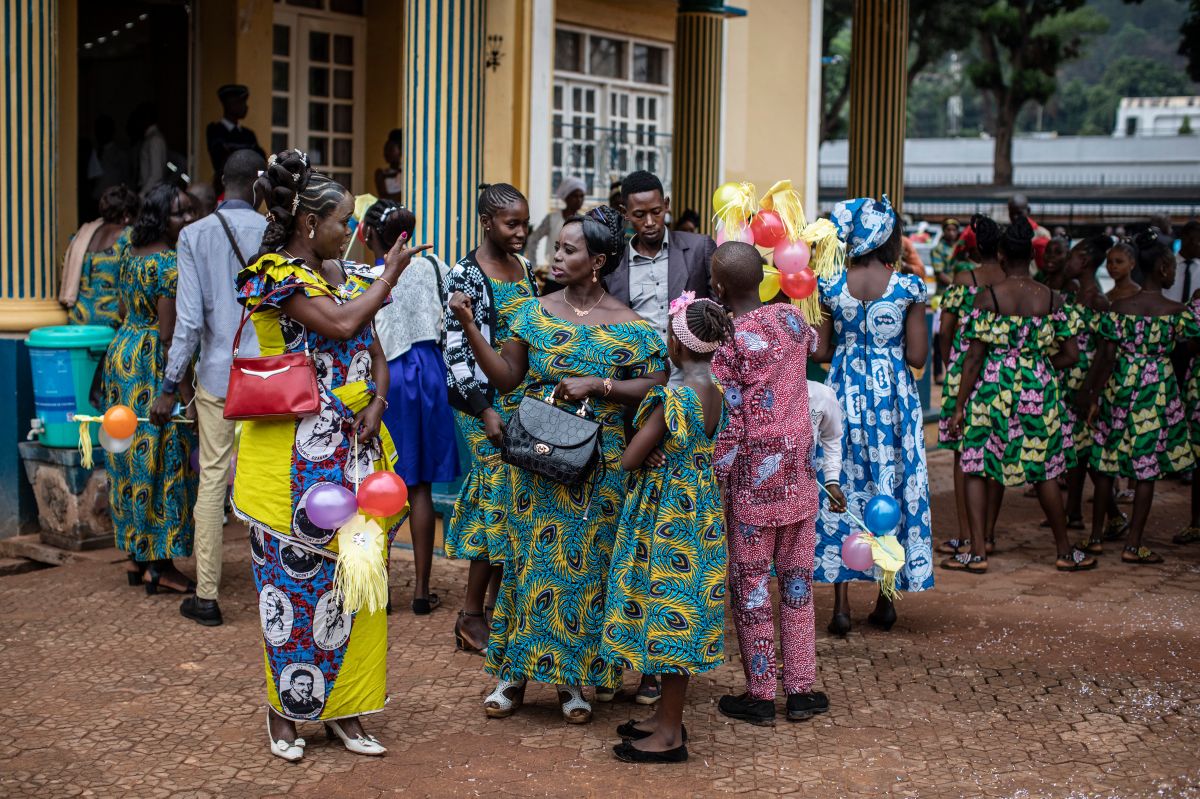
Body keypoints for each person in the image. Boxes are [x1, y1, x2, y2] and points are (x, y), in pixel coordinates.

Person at [232, 149, 429, 762]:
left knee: (358, 582)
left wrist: (380, 398)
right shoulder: (274, 275)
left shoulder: (341, 273)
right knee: (289, 591)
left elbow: (370, 344)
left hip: (353, 449)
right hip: (289, 457)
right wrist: (390, 274)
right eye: (344, 220)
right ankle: (284, 717)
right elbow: (340, 327)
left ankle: (347, 711)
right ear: (308, 223)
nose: (352, 231)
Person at [448, 206, 667, 725]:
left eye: (569, 250)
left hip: (599, 469)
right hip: (538, 463)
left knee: (585, 572)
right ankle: (513, 675)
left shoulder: (633, 326)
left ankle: (573, 682)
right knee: (527, 568)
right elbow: (505, 379)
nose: (556, 257)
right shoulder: (533, 311)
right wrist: (469, 326)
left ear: (599, 261)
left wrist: (601, 385)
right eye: (559, 248)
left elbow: (657, 384)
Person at [602, 293, 732, 764]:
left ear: (676, 344)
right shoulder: (716, 388)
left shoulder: (672, 396)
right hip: (699, 512)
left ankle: (670, 735)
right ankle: (661, 721)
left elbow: (630, 457)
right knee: (680, 610)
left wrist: (646, 447)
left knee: (668, 616)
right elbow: (691, 440)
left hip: (665, 518)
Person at [709, 241, 827, 727]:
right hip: (799, 480)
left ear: (717, 288)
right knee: (798, 587)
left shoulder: (727, 343)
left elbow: (732, 421)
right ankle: (801, 691)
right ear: (764, 278)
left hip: (753, 492)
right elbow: (817, 343)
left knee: (753, 590)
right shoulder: (794, 321)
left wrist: (714, 477)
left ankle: (760, 695)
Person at [150, 149, 268, 627]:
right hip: (270, 377)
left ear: (223, 181)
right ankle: (276, 591)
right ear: (261, 186)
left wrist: (169, 382)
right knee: (268, 481)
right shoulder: (276, 232)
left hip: (219, 375)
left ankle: (207, 595)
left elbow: (190, 322)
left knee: (213, 480)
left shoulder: (194, 235)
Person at [948, 217, 1095, 574]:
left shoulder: (988, 297)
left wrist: (959, 406)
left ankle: (978, 552)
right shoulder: (1051, 297)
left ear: (1000, 254)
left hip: (992, 386)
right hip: (1037, 388)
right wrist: (1037, 367)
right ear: (1031, 254)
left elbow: (973, 359)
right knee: (1046, 468)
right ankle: (1064, 550)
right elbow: (1073, 355)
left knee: (976, 465)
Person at [815, 196, 932, 631]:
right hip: (892, 400)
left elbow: (822, 349)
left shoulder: (831, 285)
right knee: (888, 482)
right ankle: (885, 598)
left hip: (842, 392)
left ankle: (840, 606)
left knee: (839, 481)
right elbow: (918, 355)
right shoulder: (908, 288)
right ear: (890, 237)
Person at [442, 183, 538, 656]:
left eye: (524, 223)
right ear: (486, 222)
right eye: (511, 224)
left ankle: (498, 607)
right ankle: (470, 615)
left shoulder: (522, 268)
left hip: (522, 401)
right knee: (496, 501)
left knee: (515, 502)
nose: (521, 232)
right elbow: (457, 354)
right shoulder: (466, 274)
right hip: (482, 405)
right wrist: (484, 411)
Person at [363, 199, 461, 614]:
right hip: (432, 372)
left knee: (382, 479)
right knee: (420, 486)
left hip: (391, 376)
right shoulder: (434, 265)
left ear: (369, 236)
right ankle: (421, 592)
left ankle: (380, 591)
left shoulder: (367, 276)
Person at [1079, 229, 1200, 564]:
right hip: (1158, 389)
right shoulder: (1177, 311)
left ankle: (1095, 537)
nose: (1174, 271)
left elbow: (1105, 356)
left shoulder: (1119, 308)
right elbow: (1192, 347)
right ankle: (1134, 545)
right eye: (1171, 265)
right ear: (1161, 269)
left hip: (1119, 385)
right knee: (1146, 469)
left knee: (1104, 462)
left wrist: (1092, 396)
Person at [103, 183, 198, 594]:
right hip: (151, 365)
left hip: (121, 355)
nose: (188, 220)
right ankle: (161, 563)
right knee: (164, 459)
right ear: (162, 217)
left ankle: (134, 555)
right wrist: (173, 388)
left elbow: (124, 309)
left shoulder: (128, 253)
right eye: (180, 214)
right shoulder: (169, 265)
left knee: (126, 454)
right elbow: (167, 333)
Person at [936, 215, 1006, 559]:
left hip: (965, 369)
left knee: (963, 456)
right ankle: (988, 533)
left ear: (975, 245)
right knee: (994, 454)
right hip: (1000, 376)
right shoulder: (1012, 281)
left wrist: (950, 363)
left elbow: (945, 329)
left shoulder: (964, 280)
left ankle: (966, 535)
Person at [1056, 237, 1127, 538]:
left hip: (1085, 386)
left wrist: (1090, 391)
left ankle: (1111, 514)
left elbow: (1105, 351)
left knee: (1089, 454)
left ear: (1084, 261)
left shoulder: (1098, 300)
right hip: (1070, 383)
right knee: (1076, 452)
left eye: (1070, 257)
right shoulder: (1074, 295)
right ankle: (1073, 511)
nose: (1066, 262)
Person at [607, 170, 717, 362]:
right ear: (625, 213)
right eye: (639, 215)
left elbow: (720, 309)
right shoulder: (613, 265)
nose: (649, 222)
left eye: (656, 212)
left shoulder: (699, 248)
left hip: (691, 374)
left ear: (666, 205)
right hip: (638, 377)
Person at [60, 184, 139, 327]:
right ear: (127, 216)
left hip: (78, 320)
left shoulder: (82, 236)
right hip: (111, 322)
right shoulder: (128, 236)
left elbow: (64, 264)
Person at [527, 176, 586, 286]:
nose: (579, 200)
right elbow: (532, 239)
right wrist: (533, 267)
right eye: (575, 196)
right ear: (566, 197)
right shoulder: (552, 219)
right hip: (554, 278)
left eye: (581, 196)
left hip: (575, 281)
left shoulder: (584, 222)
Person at [205, 84, 265, 193]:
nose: (245, 107)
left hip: (248, 188)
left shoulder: (248, 134)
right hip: (224, 187)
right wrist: (248, 153)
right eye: (241, 103)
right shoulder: (215, 130)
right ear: (230, 104)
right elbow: (220, 159)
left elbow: (260, 159)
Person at [131, 104, 168, 196]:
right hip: (148, 190)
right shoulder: (149, 139)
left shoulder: (155, 140)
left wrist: (142, 194)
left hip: (151, 193)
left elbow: (156, 174)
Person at [930, 218, 960, 291]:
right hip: (944, 291)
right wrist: (955, 286)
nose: (951, 233)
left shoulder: (960, 247)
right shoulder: (938, 249)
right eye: (948, 230)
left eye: (954, 230)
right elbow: (939, 273)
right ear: (943, 231)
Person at [373, 130, 403, 203]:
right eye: (385, 149)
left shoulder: (407, 171)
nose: (386, 153)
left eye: (391, 150)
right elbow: (384, 197)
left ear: (400, 151)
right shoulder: (381, 173)